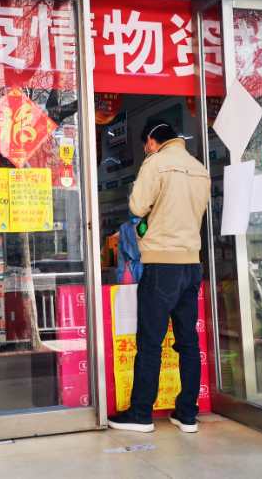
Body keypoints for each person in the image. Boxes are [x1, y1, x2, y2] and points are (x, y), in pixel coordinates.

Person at [108, 119, 210, 434]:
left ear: (152, 141)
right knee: (188, 341)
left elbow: (137, 206)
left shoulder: (156, 163)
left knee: (150, 342)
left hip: (161, 264)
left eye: (146, 146)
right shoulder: (199, 169)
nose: (146, 150)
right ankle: (187, 414)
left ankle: (141, 414)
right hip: (191, 264)